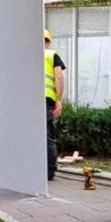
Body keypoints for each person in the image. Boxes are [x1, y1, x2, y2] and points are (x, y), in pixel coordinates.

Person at [44, 29, 66, 181]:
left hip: (28, 101)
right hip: (46, 100)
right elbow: (58, 75)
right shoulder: (52, 55)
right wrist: (59, 99)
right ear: (48, 41)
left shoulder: (26, 56)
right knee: (47, 135)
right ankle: (49, 170)